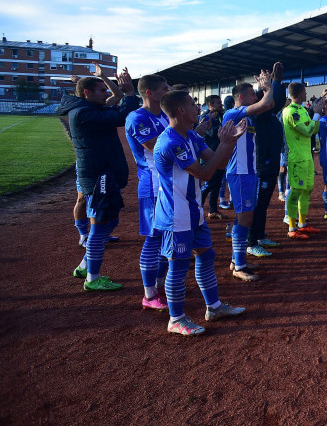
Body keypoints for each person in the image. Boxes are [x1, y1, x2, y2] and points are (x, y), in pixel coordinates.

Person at [154, 90, 248, 336]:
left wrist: (231, 141)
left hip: (193, 211)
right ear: (181, 111)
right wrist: (226, 143)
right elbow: (206, 173)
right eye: (192, 105)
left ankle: (214, 307)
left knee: (206, 256)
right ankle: (176, 319)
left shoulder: (191, 137)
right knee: (178, 265)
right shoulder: (172, 142)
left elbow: (219, 163)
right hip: (176, 216)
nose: (198, 109)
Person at [58, 68, 139, 291]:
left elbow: (116, 106)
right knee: (103, 224)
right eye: (102, 90)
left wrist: (114, 85)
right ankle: (92, 278)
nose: (106, 93)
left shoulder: (85, 108)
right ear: (87, 92)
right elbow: (121, 115)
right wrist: (130, 94)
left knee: (104, 223)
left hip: (100, 173)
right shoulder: (83, 113)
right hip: (98, 175)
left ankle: (86, 265)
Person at [221, 64, 280, 281]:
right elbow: (266, 101)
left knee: (245, 216)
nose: (255, 98)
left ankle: (237, 260)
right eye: (252, 95)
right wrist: (267, 87)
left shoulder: (249, 115)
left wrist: (268, 89)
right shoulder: (233, 112)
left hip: (249, 172)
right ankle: (239, 265)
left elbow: (270, 103)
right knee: (245, 217)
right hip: (240, 172)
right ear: (242, 97)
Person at [124, 74, 173, 310]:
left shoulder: (164, 115)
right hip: (152, 185)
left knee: (167, 237)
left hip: (168, 184)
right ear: (149, 93)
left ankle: (159, 286)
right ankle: (149, 294)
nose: (169, 90)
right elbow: (158, 149)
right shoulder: (137, 118)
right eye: (165, 88)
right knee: (154, 239)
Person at [245, 75, 287, 256]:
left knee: (263, 205)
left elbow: (276, 102)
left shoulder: (273, 118)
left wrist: (277, 83)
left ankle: (260, 236)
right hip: (261, 167)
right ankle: (250, 242)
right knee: (256, 206)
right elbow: (272, 102)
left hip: (271, 166)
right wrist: (273, 84)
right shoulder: (258, 115)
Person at [282, 82, 324, 238]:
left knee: (307, 190)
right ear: (299, 93)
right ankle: (292, 229)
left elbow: (315, 130)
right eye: (305, 92)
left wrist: (316, 116)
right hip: (297, 159)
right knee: (296, 192)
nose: (307, 95)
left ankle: (302, 223)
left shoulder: (303, 110)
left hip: (307, 157)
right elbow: (307, 131)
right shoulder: (290, 111)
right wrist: (317, 115)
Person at [199, 95, 227, 220]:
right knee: (209, 183)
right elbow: (210, 132)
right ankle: (196, 207)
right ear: (210, 104)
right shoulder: (205, 117)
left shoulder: (221, 116)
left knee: (217, 184)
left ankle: (212, 210)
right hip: (208, 156)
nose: (221, 104)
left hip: (219, 155)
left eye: (221, 102)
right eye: (218, 103)